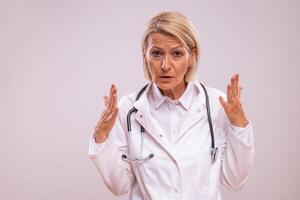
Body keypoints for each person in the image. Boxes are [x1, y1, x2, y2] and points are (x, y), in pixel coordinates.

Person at [88, 11, 254, 200]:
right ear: (145, 56)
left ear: (192, 56)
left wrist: (239, 126)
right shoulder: (128, 109)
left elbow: (234, 180)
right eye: (156, 53)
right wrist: (101, 137)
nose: (165, 65)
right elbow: (120, 186)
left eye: (176, 54)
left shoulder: (218, 105)